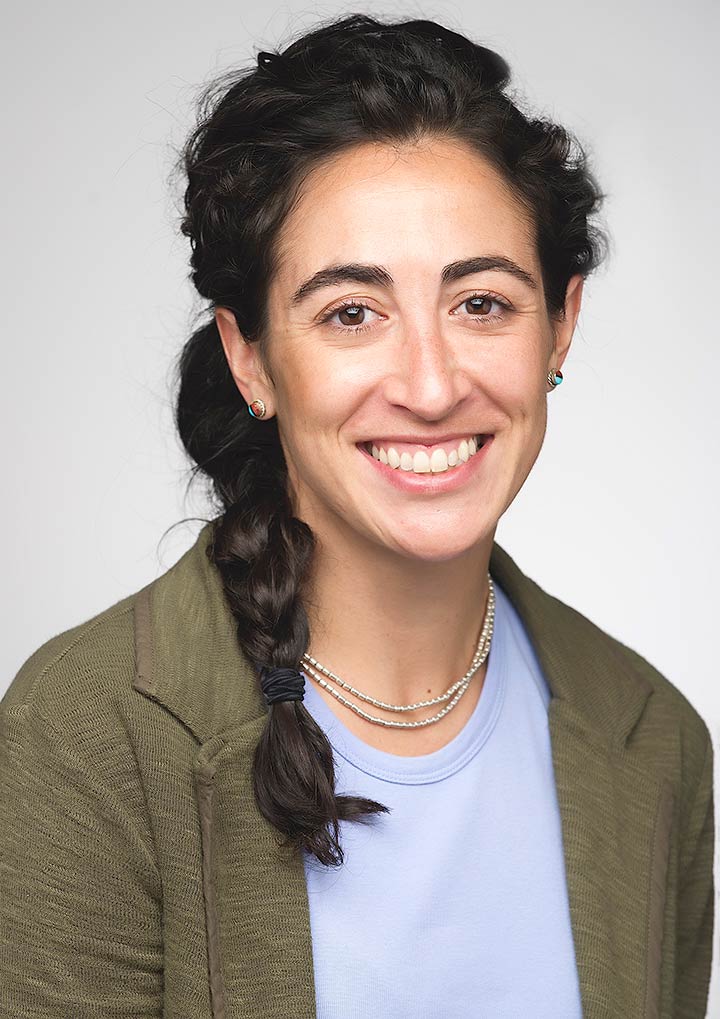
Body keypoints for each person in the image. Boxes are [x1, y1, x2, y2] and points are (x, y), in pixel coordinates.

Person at [0, 13, 714, 1018]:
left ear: (562, 324)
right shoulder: (87, 735)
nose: (429, 384)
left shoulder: (659, 743)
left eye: (482, 303)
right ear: (250, 356)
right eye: (350, 311)